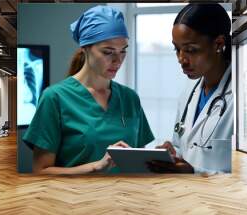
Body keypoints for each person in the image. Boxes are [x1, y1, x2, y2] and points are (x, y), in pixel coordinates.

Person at [23, 5, 154, 175]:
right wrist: (96, 167)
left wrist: (160, 159)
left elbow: (139, 161)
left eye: (123, 51)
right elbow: (41, 171)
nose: (118, 60)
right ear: (85, 49)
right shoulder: (55, 98)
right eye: (108, 52)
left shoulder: (129, 98)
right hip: (76, 198)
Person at [147, 4, 233, 174]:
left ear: (218, 44)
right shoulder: (189, 92)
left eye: (191, 50)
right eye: (177, 49)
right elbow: (185, 147)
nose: (181, 59)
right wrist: (172, 153)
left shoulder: (240, 98)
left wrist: (193, 172)